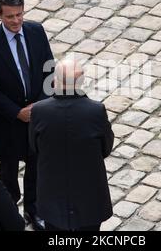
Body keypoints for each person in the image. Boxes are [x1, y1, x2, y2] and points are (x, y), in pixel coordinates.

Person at [0, 0, 54, 230]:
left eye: (19, 14)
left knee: (36, 165)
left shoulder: (36, 31)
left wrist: (39, 105)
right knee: (8, 170)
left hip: (37, 114)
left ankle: (34, 209)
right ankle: (9, 210)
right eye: (10, 16)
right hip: (8, 121)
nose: (16, 21)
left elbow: (49, 70)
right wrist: (16, 112)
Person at [29, 59, 114, 231]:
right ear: (81, 81)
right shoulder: (96, 111)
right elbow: (106, 147)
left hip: (52, 194)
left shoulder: (39, 110)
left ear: (55, 81)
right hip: (89, 194)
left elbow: (34, 146)